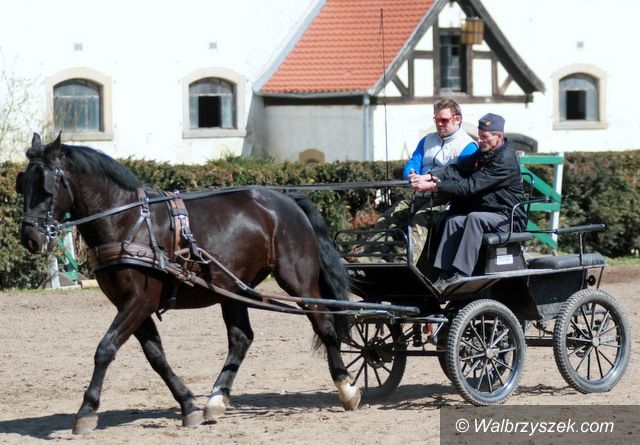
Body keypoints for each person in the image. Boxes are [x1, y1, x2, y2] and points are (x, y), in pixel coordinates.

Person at [410, 113, 525, 290]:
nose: (479, 140)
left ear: (498, 136)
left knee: (474, 218)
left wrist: (434, 187)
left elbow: (470, 186)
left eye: (484, 137)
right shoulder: (485, 152)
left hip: (507, 216)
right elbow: (458, 169)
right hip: (489, 212)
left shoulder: (505, 160)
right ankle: (444, 273)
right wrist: (430, 176)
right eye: (479, 136)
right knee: (454, 220)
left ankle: (462, 275)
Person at [366, 98, 478, 263]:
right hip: (419, 197)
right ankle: (367, 259)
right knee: (389, 216)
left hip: (446, 200)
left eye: (444, 120)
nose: (439, 124)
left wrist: (431, 183)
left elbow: (459, 177)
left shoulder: (468, 146)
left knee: (420, 218)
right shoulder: (427, 140)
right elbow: (414, 161)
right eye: (436, 120)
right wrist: (411, 174)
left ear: (457, 119)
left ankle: (404, 262)